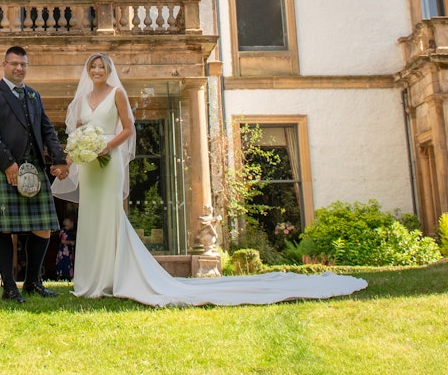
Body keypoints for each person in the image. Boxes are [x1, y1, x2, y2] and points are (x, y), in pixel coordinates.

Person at [53, 52, 368, 306]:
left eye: (101, 66)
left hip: (109, 164)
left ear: (108, 69)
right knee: (91, 219)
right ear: (88, 70)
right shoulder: (81, 101)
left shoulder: (117, 93)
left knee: (110, 217)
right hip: (91, 168)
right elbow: (77, 136)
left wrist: (107, 146)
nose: (97, 70)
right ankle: (90, 282)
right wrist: (68, 162)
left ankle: (113, 279)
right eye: (93, 66)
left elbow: (128, 129)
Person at [0, 45, 70, 303]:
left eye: (23, 64)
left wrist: (60, 160)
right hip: (5, 168)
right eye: (14, 63)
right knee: (3, 229)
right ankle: (9, 287)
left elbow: (47, 130)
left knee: (42, 228)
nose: (19, 68)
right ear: (4, 65)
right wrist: (8, 163)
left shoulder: (33, 96)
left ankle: (32, 282)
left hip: (35, 170)